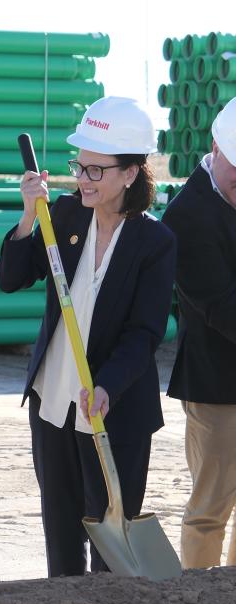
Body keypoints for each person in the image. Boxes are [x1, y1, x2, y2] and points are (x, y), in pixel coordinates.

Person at [0, 96, 176, 577]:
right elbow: (11, 278)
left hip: (113, 408)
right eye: (80, 166)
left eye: (97, 171)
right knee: (61, 532)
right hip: (53, 400)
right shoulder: (66, 216)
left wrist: (107, 386)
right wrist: (28, 216)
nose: (83, 179)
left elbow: (144, 333)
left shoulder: (155, 243)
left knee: (110, 546)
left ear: (131, 173)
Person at [162, 97, 236, 569]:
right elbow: (221, 308)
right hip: (217, 388)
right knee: (211, 510)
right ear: (215, 148)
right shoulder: (187, 216)